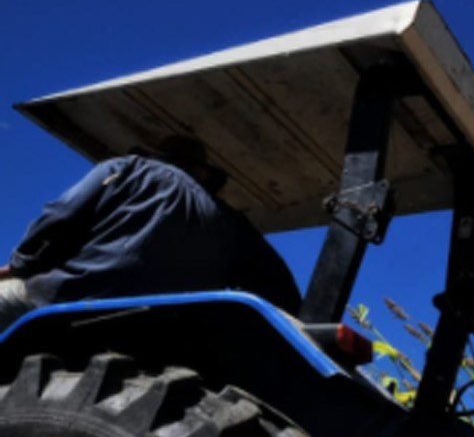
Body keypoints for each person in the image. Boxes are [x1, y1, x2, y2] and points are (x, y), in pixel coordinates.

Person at [0, 136, 301, 333]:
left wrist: (20, 265)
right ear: (202, 173)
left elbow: (61, 214)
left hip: (70, 297)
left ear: (158, 154)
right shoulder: (230, 221)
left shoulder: (127, 168)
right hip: (159, 328)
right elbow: (278, 282)